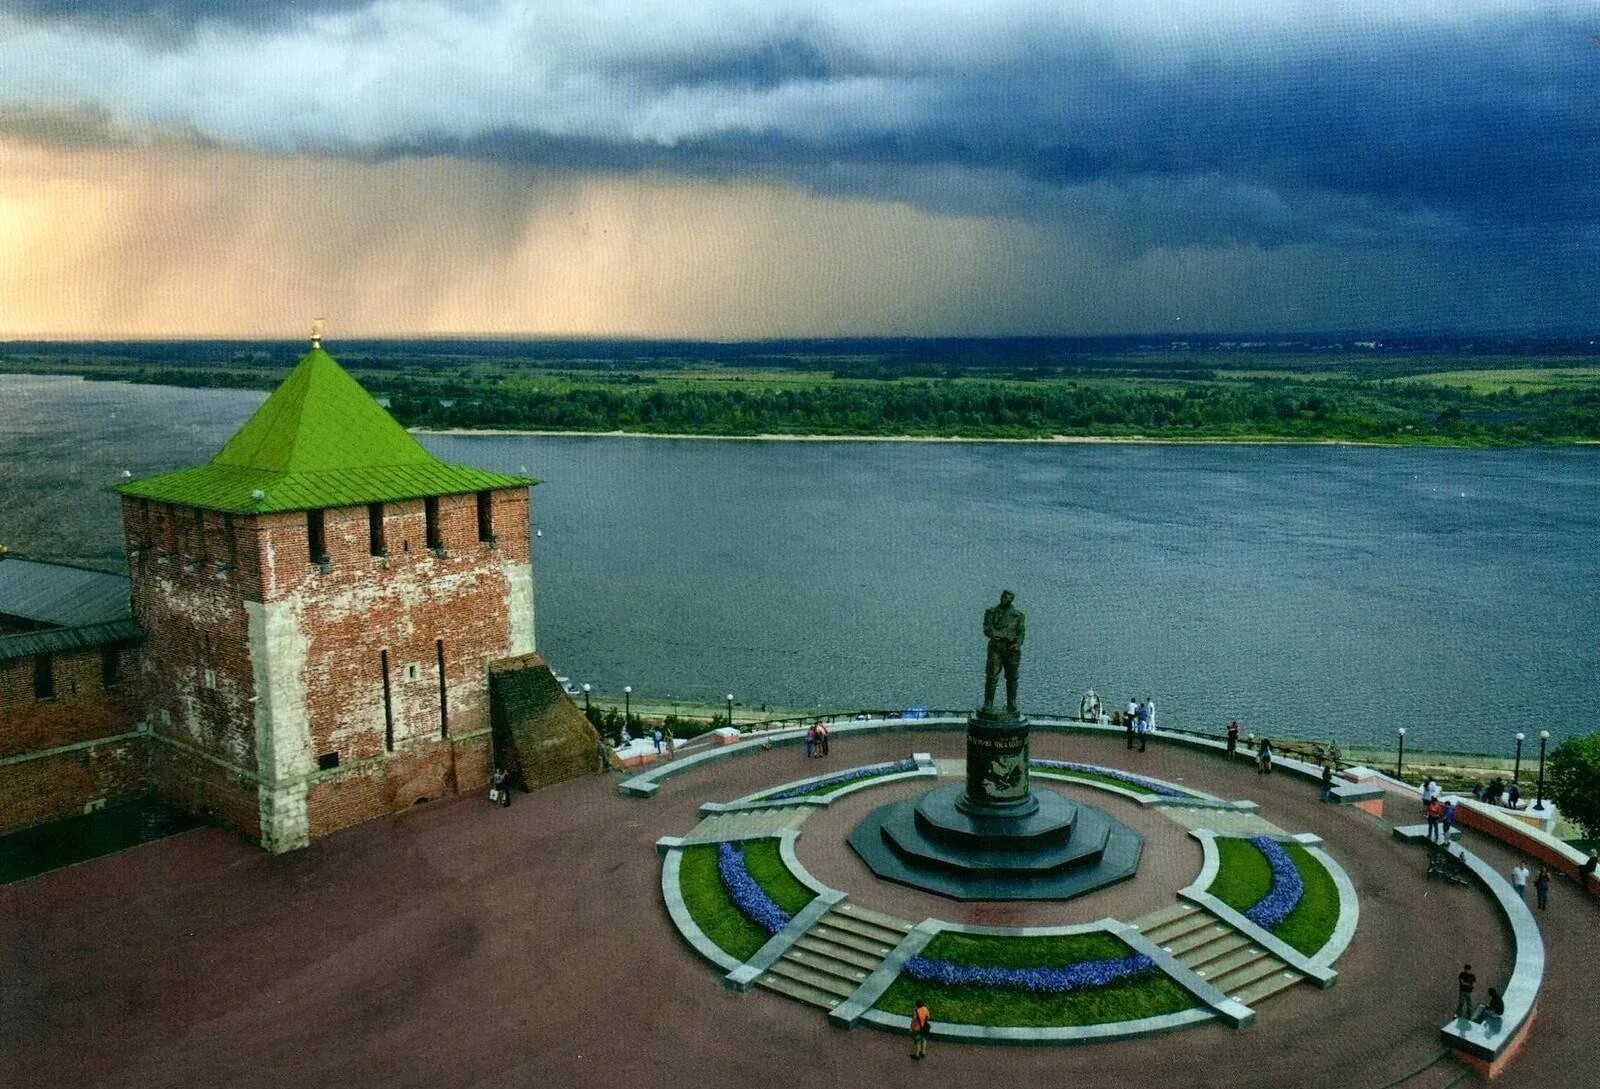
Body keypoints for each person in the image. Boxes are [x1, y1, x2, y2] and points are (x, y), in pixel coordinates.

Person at [981, 590, 1026, 716]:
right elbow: (987, 629)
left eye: (1007, 597)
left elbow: (1021, 633)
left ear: (1012, 600)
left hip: (1012, 650)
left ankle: (1012, 703)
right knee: (992, 676)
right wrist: (1002, 635)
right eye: (1003, 597)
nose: (1004, 599)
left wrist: (1017, 644)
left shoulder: (1018, 616)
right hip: (996, 648)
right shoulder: (991, 612)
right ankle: (988, 703)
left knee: (1012, 678)